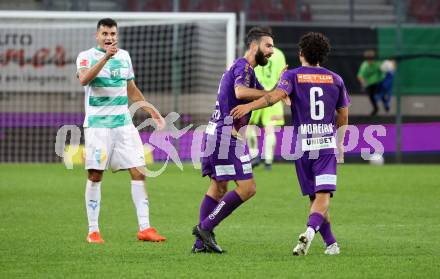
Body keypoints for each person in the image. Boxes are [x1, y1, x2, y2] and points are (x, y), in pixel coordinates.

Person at [231, 32, 350, 256]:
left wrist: (248, 106)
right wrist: (340, 145)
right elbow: (343, 115)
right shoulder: (336, 79)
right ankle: (310, 232)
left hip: (301, 147)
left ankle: (331, 243)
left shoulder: (293, 76)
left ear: (301, 53)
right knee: (322, 197)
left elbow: (274, 97)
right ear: (323, 55)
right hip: (325, 145)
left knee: (315, 198)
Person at [76, 18, 166, 244]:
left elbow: (131, 88)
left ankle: (145, 228)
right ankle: (93, 231)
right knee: (96, 175)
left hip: (124, 125)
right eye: (105, 33)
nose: (109, 38)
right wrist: (106, 58)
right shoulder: (86, 56)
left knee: (139, 172)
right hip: (98, 126)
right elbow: (85, 79)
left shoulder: (125, 56)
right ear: (97, 35)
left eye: (113, 34)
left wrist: (151, 110)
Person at [191, 27, 274, 253]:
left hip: (219, 133)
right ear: (254, 46)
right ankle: (205, 228)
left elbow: (267, 97)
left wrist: (279, 90)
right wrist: (274, 93)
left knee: (218, 187)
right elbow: (240, 92)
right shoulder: (243, 67)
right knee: (247, 188)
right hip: (225, 136)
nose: (272, 52)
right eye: (268, 46)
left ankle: (201, 244)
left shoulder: (248, 71)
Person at [248, 46, 286, 170]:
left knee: (249, 126)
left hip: (256, 93)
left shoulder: (253, 51)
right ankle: (268, 161)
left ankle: (254, 155)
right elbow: (283, 75)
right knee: (270, 128)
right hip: (273, 94)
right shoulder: (279, 53)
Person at [357, 49, 384, 116]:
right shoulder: (364, 65)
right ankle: (376, 108)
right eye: (368, 59)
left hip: (380, 82)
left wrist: (382, 71)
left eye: (371, 59)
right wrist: (363, 83)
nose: (370, 61)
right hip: (370, 84)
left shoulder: (377, 63)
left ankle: (384, 101)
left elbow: (383, 71)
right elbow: (360, 76)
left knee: (380, 92)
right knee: (371, 96)